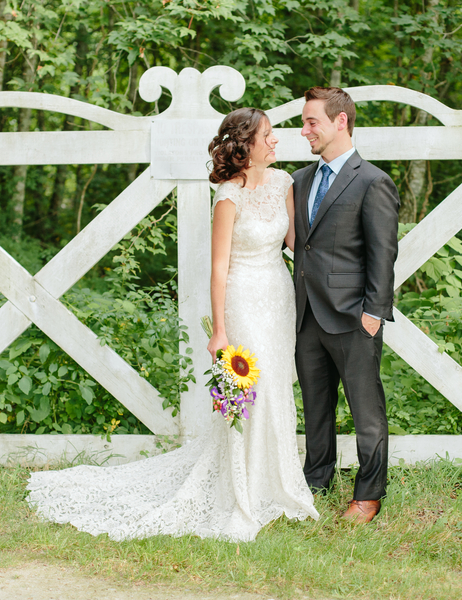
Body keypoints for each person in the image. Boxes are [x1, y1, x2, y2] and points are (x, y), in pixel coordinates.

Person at [26, 108, 318, 542]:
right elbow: (219, 269)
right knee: (249, 392)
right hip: (241, 299)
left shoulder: (284, 184)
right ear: (246, 147)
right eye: (268, 136)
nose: (276, 141)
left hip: (278, 297)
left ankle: (275, 484)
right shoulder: (227, 197)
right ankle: (242, 489)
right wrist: (219, 331)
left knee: (275, 386)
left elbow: (297, 244)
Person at [292, 87, 400, 524]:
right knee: (316, 408)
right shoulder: (299, 181)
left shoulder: (373, 181)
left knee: (365, 410)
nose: (304, 131)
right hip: (306, 316)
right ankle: (316, 482)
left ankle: (368, 495)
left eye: (311, 122)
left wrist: (374, 314)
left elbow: (383, 253)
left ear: (341, 122)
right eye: (304, 122)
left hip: (355, 317)